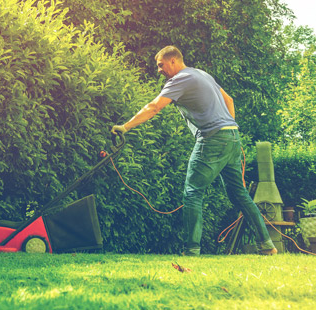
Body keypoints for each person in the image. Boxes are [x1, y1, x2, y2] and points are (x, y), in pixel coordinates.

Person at [111, 46, 277, 256]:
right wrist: (229, 126)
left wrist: (125, 127)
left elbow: (154, 107)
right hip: (232, 137)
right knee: (239, 194)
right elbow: (229, 100)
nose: (159, 70)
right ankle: (267, 245)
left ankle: (191, 250)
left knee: (192, 192)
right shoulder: (202, 74)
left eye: (161, 65)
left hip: (212, 138)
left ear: (173, 61)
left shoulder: (180, 79)